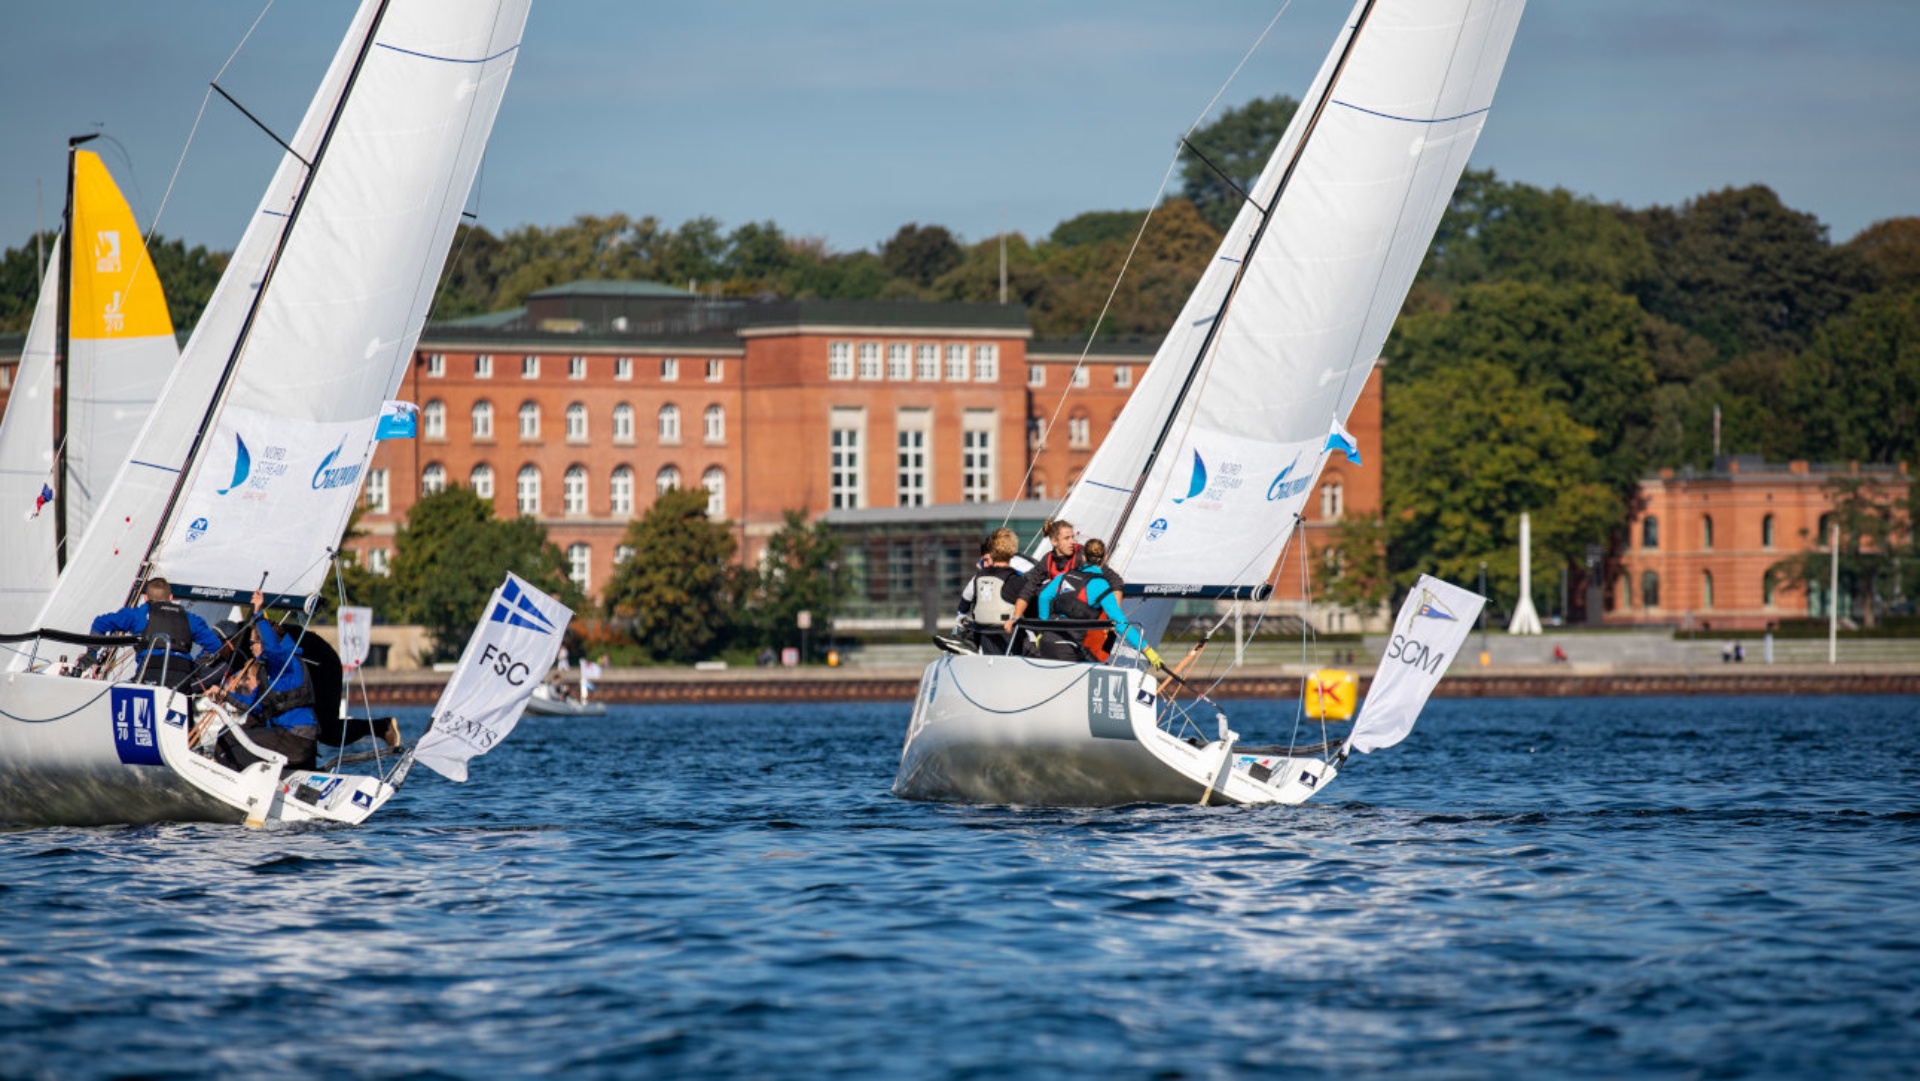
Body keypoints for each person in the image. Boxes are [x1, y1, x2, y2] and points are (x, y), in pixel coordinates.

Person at [212, 591, 319, 772]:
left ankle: (232, 780)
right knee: (229, 733)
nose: (250, 647)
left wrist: (258, 613)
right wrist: (225, 695)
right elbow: (255, 705)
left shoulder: (284, 661)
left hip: (295, 738)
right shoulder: (267, 671)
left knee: (229, 738)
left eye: (253, 642)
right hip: (291, 739)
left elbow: (272, 648)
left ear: (263, 643)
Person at [1033, 538, 1160, 669]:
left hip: (1046, 642)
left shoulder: (1064, 577)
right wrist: (1147, 650)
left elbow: (1044, 597)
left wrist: (1043, 626)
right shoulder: (1100, 585)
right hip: (1071, 647)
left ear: (1083, 557)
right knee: (1100, 666)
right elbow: (1120, 623)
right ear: (1105, 558)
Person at [89, 577, 223, 688]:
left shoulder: (138, 615)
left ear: (146, 598)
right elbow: (215, 645)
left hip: (149, 673)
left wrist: (92, 656)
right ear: (170, 598)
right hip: (182, 678)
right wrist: (195, 666)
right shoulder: (190, 618)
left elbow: (99, 623)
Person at [965, 530, 1028, 656]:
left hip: (986, 638)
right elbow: (1032, 610)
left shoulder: (979, 577)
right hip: (1009, 639)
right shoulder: (1015, 580)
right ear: (1013, 551)